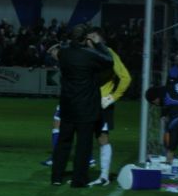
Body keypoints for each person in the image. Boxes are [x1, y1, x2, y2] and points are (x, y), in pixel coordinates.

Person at [51, 24, 113, 187]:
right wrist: (98, 43)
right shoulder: (89, 55)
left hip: (68, 105)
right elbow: (109, 61)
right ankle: (78, 180)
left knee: (63, 142)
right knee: (83, 145)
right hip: (86, 106)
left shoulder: (64, 53)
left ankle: (56, 177)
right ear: (86, 38)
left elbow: (57, 52)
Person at [87, 26, 131, 187]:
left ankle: (104, 176)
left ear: (100, 39)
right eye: (88, 37)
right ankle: (81, 174)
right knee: (83, 137)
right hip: (85, 101)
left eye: (92, 37)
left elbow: (125, 77)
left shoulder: (109, 54)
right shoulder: (86, 53)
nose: (89, 40)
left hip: (101, 103)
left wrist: (113, 97)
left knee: (102, 137)